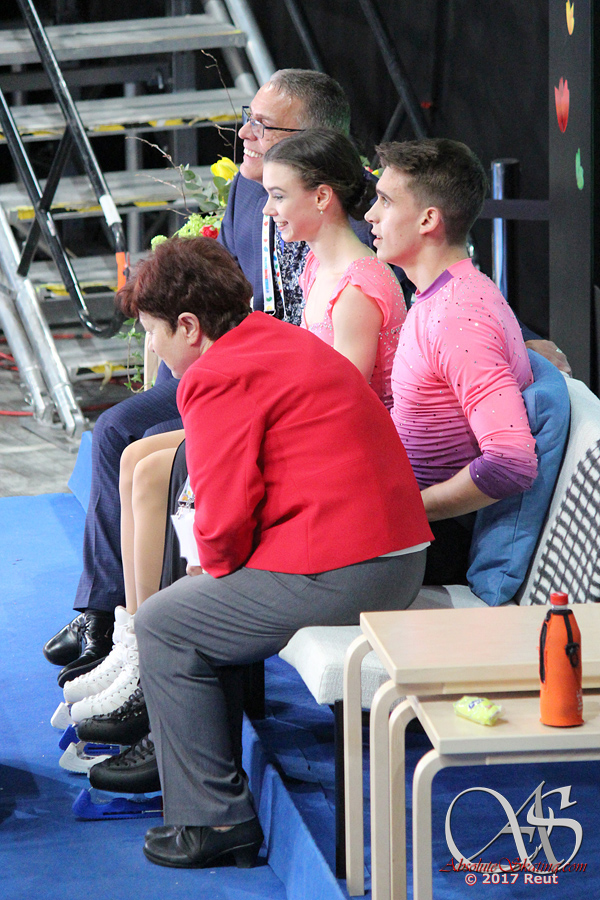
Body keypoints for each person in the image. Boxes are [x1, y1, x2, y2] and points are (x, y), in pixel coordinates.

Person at [43, 69, 369, 685]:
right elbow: (231, 293)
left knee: (157, 458)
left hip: (281, 393)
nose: (244, 134)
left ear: (312, 143)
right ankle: (105, 615)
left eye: (262, 125)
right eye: (247, 117)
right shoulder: (248, 188)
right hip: (231, 363)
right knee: (113, 430)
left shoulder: (355, 220)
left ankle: (166, 645)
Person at [115, 235, 432, 869]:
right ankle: (193, 760)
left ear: (188, 326)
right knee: (197, 598)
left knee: (165, 622)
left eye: (153, 333)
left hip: (349, 569)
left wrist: (206, 571)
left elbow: (226, 515)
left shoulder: (215, 375)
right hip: (390, 554)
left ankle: (214, 820)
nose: (154, 350)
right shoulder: (271, 337)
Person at [365, 138, 539, 582]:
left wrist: (402, 509)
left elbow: (511, 462)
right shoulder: (444, 294)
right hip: (416, 524)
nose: (370, 215)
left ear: (428, 220)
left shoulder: (457, 315)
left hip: (433, 543)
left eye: (385, 201)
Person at [263, 128, 406, 408]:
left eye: (278, 196)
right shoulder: (315, 265)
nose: (267, 209)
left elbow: (343, 401)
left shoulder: (356, 288)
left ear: (321, 197)